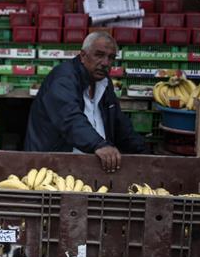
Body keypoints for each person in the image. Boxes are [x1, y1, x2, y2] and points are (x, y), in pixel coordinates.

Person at [25, 31, 147, 172]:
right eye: (99, 55)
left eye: (111, 58)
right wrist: (99, 145)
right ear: (83, 56)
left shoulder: (104, 83)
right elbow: (70, 119)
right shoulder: (63, 79)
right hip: (53, 165)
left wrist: (144, 153)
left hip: (93, 166)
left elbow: (119, 124)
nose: (105, 63)